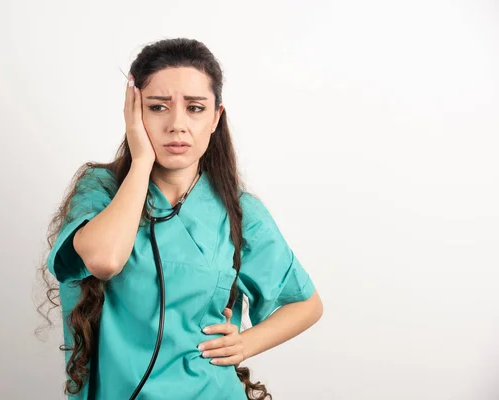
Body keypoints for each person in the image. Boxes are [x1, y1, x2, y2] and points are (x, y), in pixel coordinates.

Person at [38, 37, 323, 400]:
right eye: (157, 107)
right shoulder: (101, 189)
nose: (177, 124)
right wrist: (141, 162)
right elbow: (105, 261)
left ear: (216, 117)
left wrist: (245, 344)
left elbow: (306, 304)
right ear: (134, 113)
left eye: (195, 108)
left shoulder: (240, 211)